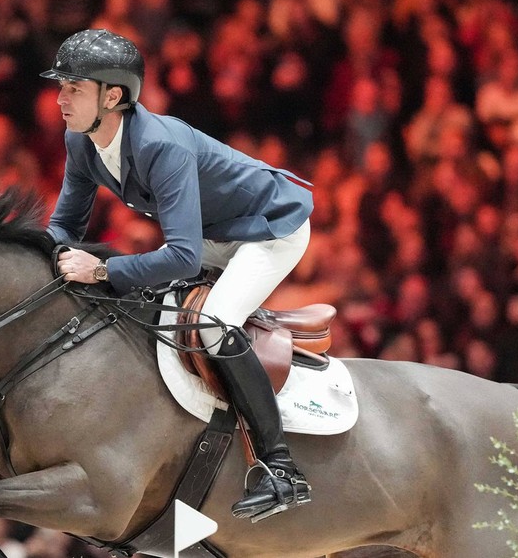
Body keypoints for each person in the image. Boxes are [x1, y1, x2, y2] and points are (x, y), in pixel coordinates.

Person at [41, 29, 315, 521]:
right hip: (216, 233)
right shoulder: (80, 141)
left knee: (212, 324)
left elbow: (185, 258)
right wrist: (40, 260)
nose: (60, 99)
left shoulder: (161, 146)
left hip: (269, 229)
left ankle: (281, 470)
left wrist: (101, 267)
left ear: (113, 96)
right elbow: (65, 225)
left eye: (73, 89)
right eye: (61, 86)